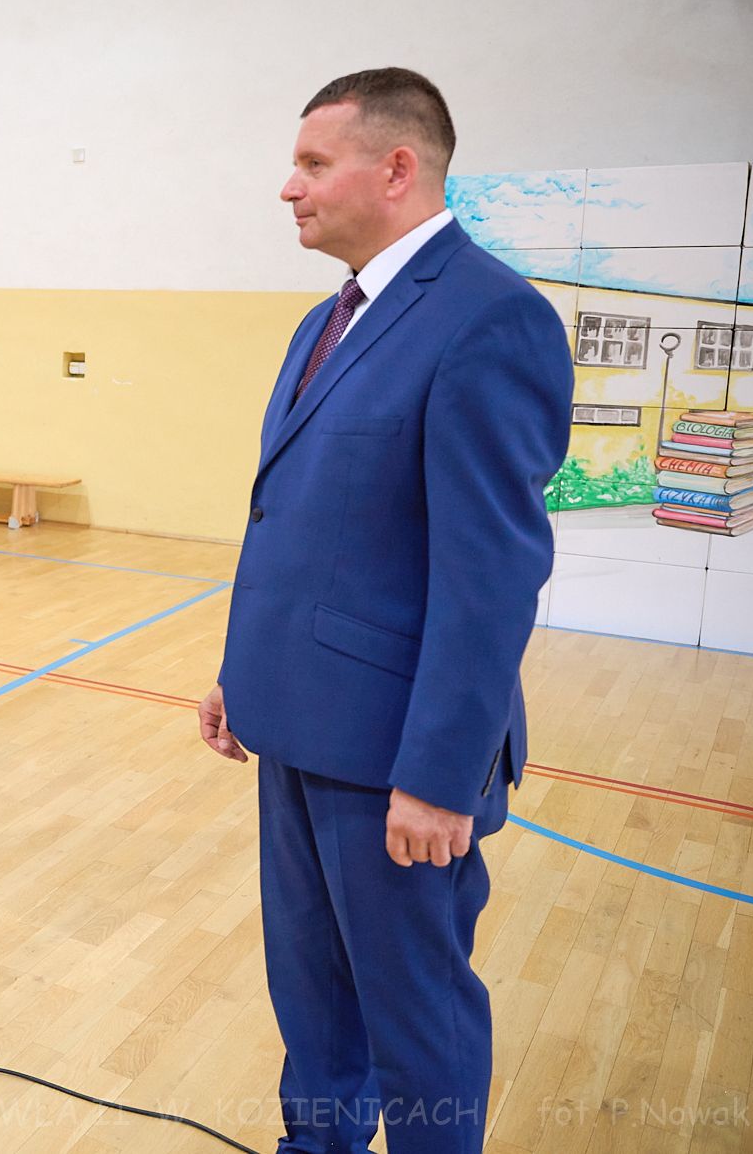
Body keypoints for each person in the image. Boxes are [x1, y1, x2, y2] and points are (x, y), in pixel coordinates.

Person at [198, 69, 573, 1153]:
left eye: (313, 164)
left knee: (414, 1018)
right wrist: (241, 672)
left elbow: (488, 578)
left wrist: (439, 775)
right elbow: (299, 522)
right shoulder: (326, 320)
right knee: (312, 994)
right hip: (296, 720)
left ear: (397, 168)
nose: (289, 187)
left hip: (394, 754)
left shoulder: (489, 318)